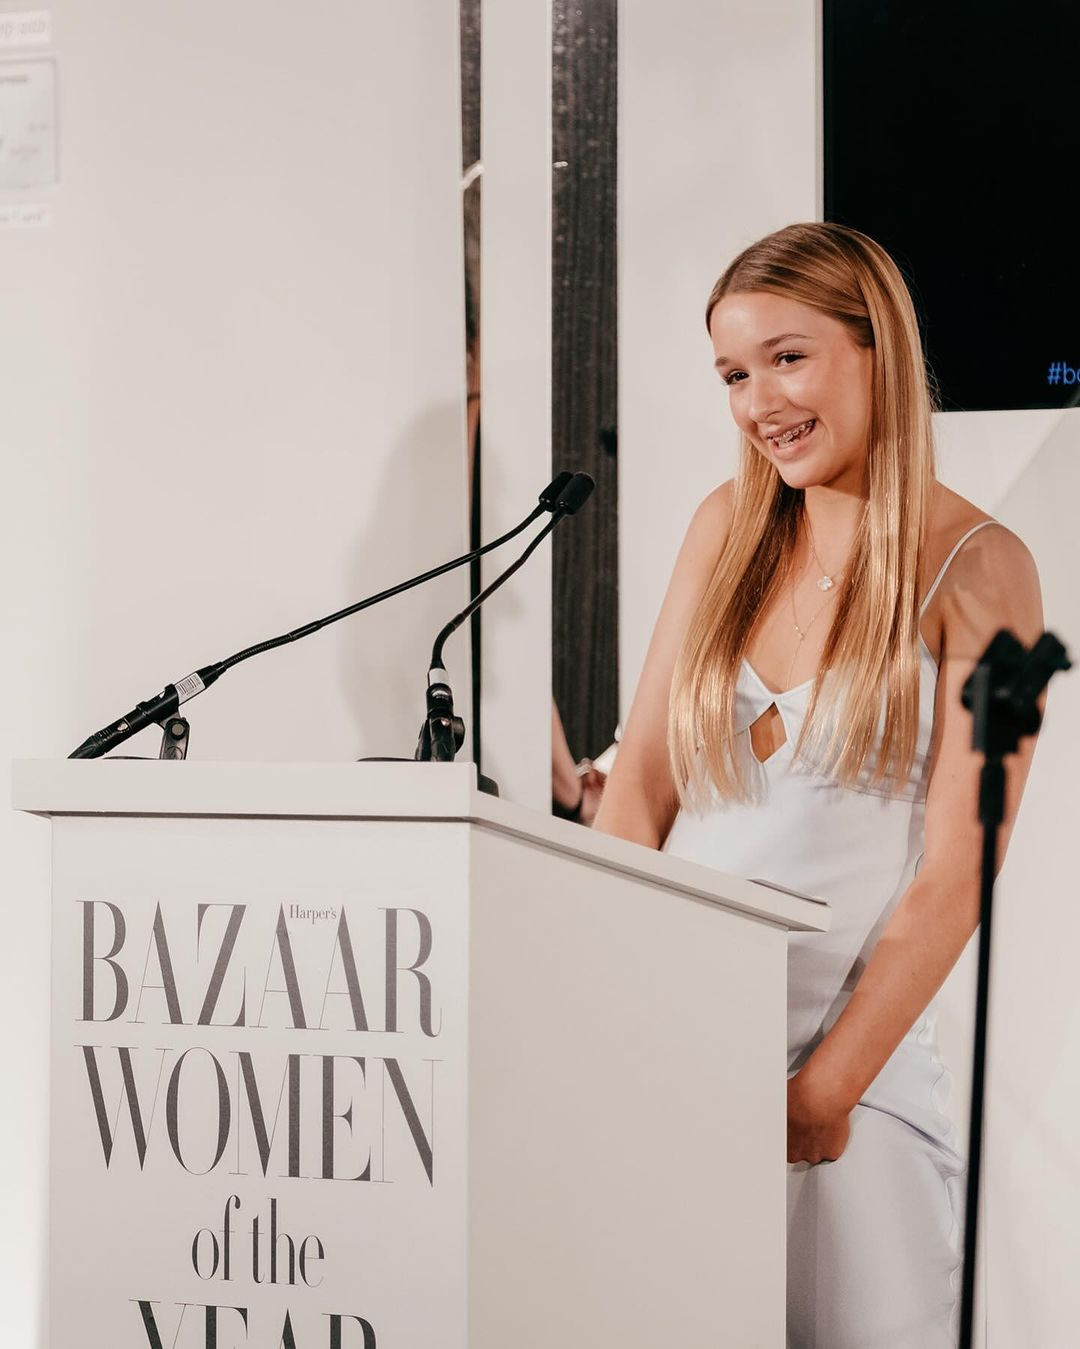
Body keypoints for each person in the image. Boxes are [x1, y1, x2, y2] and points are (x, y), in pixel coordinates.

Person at [592, 221, 1044, 1347]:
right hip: (674, 1057)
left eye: (787, 358)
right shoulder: (723, 528)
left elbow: (959, 868)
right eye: (733, 374)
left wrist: (824, 1092)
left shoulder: (982, 565)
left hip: (849, 1097)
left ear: (876, 346)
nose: (759, 403)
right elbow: (639, 786)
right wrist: (603, 1007)